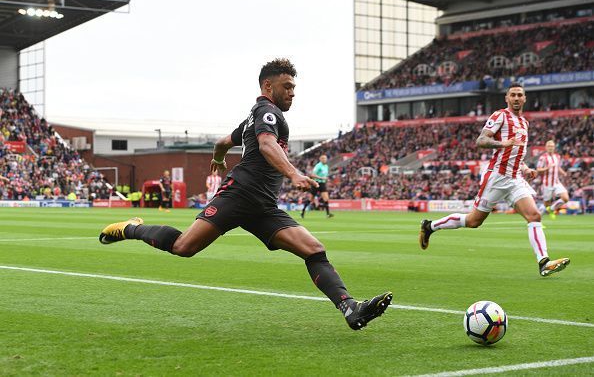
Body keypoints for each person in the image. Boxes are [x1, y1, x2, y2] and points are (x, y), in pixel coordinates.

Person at [99, 58, 392, 330]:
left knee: (313, 249)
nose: (292, 93)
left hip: (263, 206)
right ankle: (131, 228)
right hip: (238, 196)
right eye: (287, 86)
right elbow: (266, 145)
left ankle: (350, 307)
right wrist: (292, 173)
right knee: (184, 247)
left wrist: (217, 158)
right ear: (268, 86)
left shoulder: (254, 117)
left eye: (294, 87)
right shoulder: (267, 112)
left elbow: (224, 141)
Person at [419, 83, 570, 277]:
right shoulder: (500, 116)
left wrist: (526, 168)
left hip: (515, 178)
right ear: (507, 98)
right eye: (513, 95)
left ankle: (544, 262)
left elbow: (518, 154)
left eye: (520, 95)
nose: (516, 98)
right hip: (497, 177)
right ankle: (429, 226)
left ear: (524, 99)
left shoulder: (524, 123)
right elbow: (481, 140)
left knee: (534, 216)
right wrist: (501, 143)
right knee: (473, 221)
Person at [536, 140, 569, 220]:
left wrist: (564, 173)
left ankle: (551, 209)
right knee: (546, 204)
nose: (550, 147)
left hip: (556, 182)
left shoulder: (557, 156)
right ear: (546, 147)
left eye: (552, 146)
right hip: (547, 184)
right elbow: (538, 169)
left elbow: (557, 167)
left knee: (565, 198)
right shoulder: (543, 157)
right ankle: (537, 220)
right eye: (549, 146)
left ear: (554, 147)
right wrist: (547, 168)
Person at [301, 154, 334, 218]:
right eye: (323, 158)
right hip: (316, 183)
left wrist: (325, 179)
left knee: (326, 198)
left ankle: (328, 214)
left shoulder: (326, 166)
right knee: (311, 199)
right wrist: (321, 178)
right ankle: (303, 211)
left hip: (322, 184)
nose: (325, 159)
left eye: (325, 158)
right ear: (320, 159)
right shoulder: (318, 166)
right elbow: (312, 175)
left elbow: (325, 176)